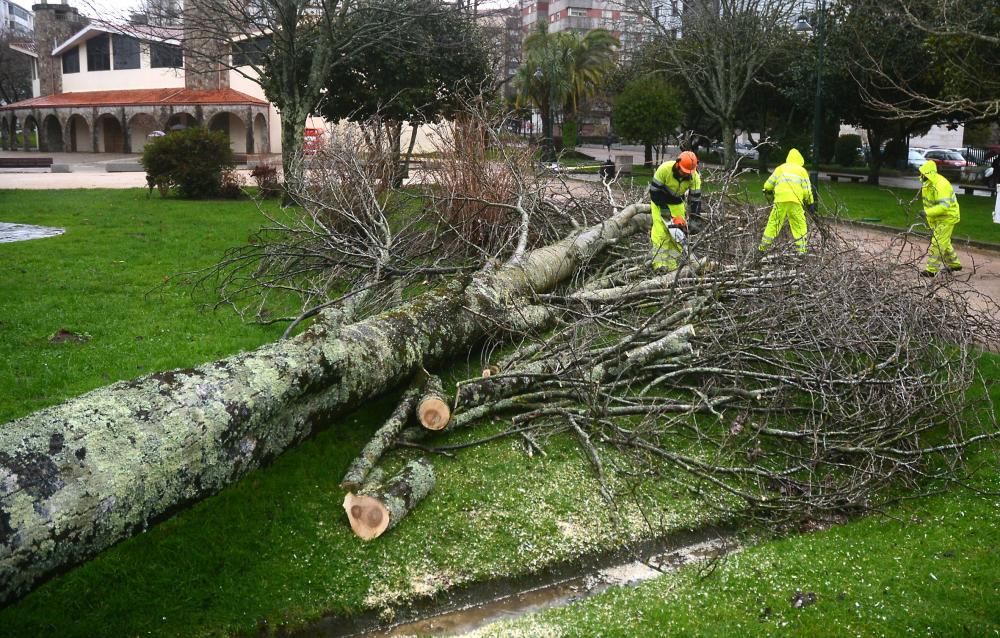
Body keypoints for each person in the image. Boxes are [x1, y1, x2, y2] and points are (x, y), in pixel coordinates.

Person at [648, 150, 702, 271]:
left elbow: (695, 200)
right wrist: (664, 211)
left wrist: (694, 219)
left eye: (687, 173)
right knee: (661, 234)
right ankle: (659, 265)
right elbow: (654, 192)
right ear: (677, 164)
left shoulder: (694, 177)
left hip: (677, 203)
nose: (684, 174)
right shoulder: (664, 169)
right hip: (659, 201)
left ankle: (672, 267)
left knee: (678, 236)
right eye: (683, 171)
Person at [759, 148, 814, 254]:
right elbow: (807, 190)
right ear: (800, 160)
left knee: (773, 223)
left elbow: (768, 185)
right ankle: (801, 250)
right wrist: (810, 202)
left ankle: (763, 247)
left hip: (780, 200)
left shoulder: (780, 168)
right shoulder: (802, 171)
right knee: (799, 224)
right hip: (795, 201)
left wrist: (767, 190)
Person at [917, 160, 961, 276]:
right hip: (937, 218)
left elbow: (944, 207)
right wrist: (929, 215)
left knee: (937, 243)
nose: (920, 175)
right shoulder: (928, 183)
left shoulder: (940, 185)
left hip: (947, 217)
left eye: (923, 173)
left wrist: (927, 212)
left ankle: (931, 270)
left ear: (928, 173)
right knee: (943, 241)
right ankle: (954, 264)